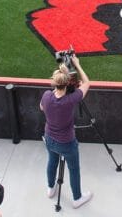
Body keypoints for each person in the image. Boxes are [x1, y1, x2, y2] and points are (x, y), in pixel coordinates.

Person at [40, 54, 93, 209]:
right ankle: (77, 198)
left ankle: (50, 189)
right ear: (68, 82)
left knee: (52, 161)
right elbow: (87, 82)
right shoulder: (71, 99)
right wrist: (76, 65)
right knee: (74, 169)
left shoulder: (47, 95)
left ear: (55, 82)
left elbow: (42, 108)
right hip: (67, 143)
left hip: (49, 138)